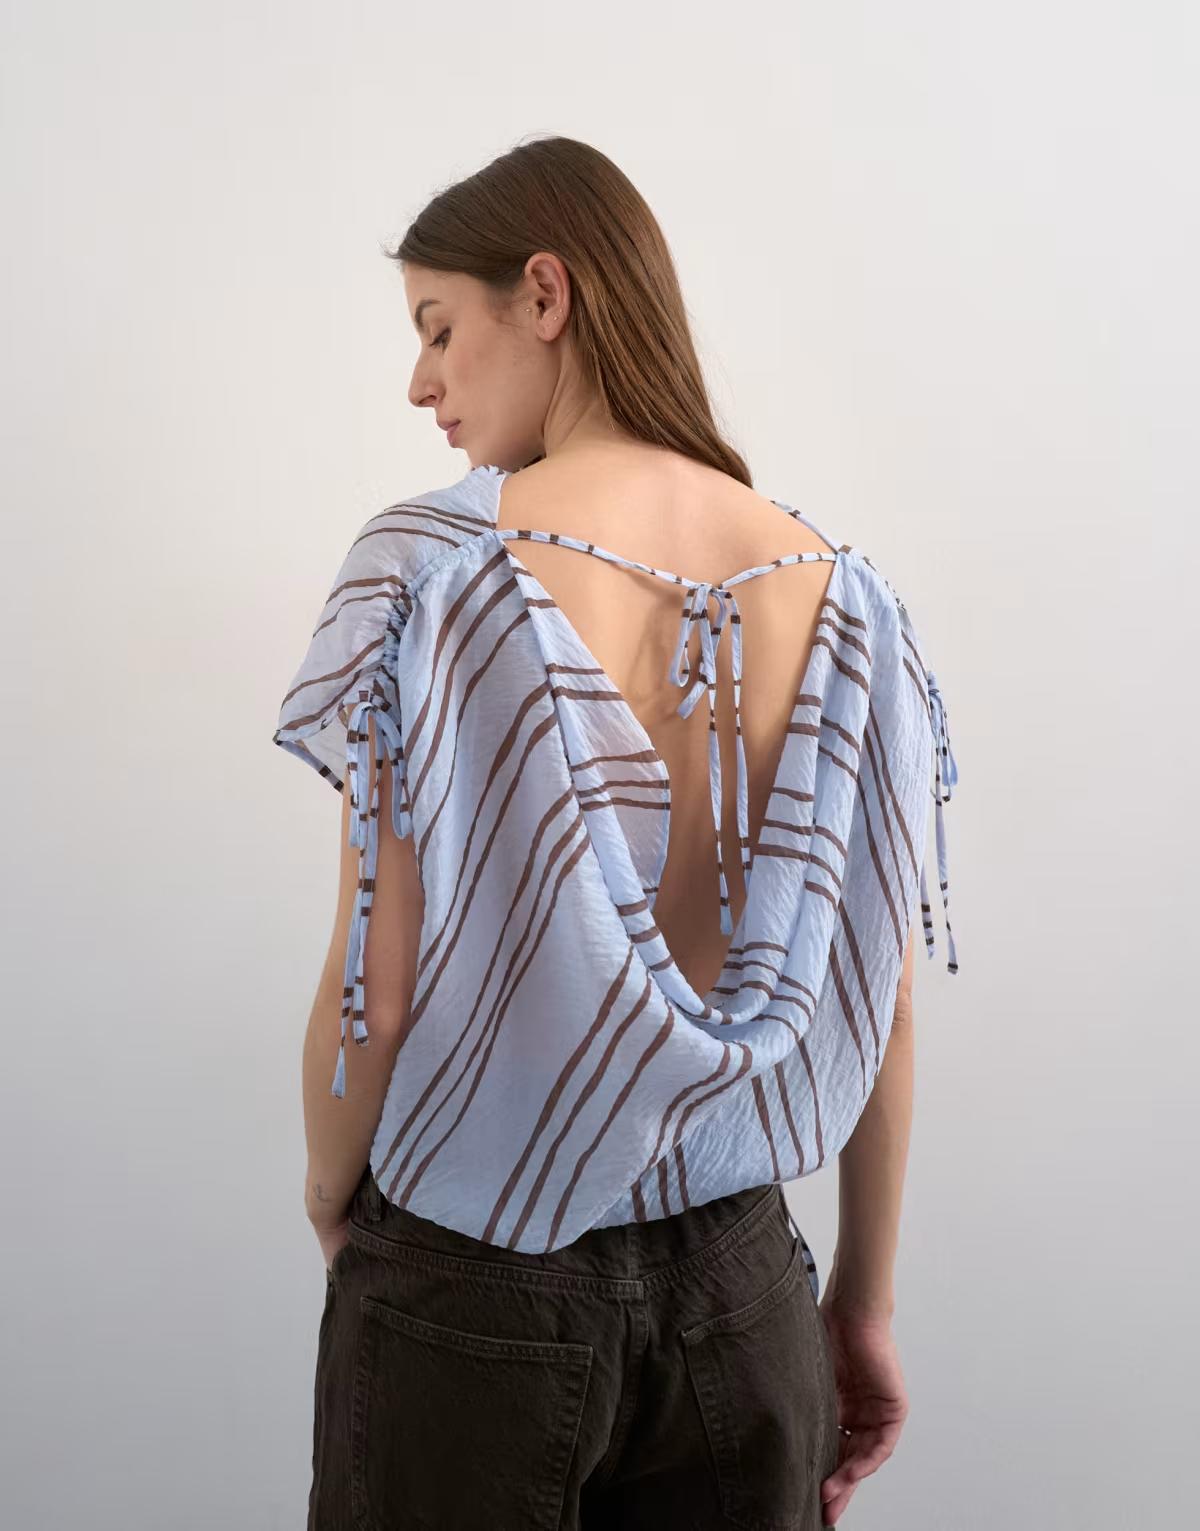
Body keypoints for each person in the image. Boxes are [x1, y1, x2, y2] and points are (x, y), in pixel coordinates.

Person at [273, 135, 960, 1531]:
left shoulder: (431, 573)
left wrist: (332, 1194)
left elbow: (375, 984)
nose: (420, 382)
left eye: (437, 328)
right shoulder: (845, 596)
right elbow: (876, 990)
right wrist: (865, 1305)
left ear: (545, 293)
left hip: (474, 1269)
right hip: (746, 1294)